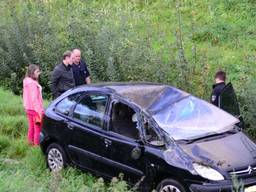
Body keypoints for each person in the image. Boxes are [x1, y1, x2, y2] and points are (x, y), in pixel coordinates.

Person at [23, 64, 44, 145]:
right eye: (37, 72)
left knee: (31, 127)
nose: (39, 73)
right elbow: (34, 99)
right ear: (32, 73)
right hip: (35, 110)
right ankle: (36, 147)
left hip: (29, 109)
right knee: (37, 129)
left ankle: (30, 143)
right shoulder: (32, 83)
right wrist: (40, 111)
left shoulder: (26, 81)